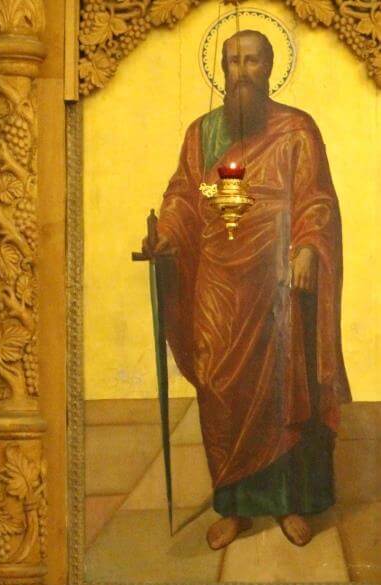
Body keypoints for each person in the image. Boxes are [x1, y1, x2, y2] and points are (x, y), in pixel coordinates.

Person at [150, 30, 350, 550]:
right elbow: (183, 196)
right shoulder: (201, 134)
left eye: (252, 61)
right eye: (233, 61)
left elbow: (317, 199)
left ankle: (287, 502)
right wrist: (166, 234)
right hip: (217, 281)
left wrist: (308, 248)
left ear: (269, 67)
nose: (241, 71)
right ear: (221, 69)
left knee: (283, 387)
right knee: (219, 385)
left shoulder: (297, 129)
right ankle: (234, 507)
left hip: (277, 280)